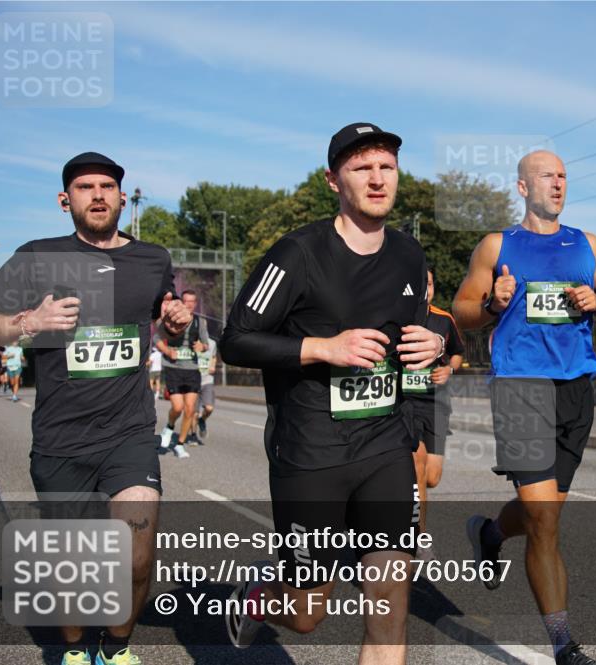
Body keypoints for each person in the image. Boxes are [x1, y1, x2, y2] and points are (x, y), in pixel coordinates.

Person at [219, 122, 444, 664]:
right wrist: (324, 347)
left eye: (387, 167)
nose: (377, 178)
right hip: (311, 452)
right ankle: (255, 600)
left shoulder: (409, 255)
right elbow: (235, 340)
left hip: (385, 447)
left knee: (390, 603)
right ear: (333, 180)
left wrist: (433, 344)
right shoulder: (297, 253)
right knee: (306, 614)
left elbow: (412, 340)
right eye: (362, 168)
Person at [0, 151, 192, 665]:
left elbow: (165, 319)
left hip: (129, 433)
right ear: (64, 199)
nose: (97, 195)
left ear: (121, 197)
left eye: (107, 186)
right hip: (60, 438)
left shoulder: (152, 258)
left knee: (136, 556)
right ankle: (74, 651)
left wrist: (175, 322)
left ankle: (115, 650)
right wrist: (28, 322)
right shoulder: (37, 257)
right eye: (85, 187)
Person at [452, 150, 596, 665]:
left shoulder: (588, 244)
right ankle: (564, 646)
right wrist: (493, 303)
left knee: (541, 516)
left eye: (563, 176)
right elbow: (462, 310)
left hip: (575, 391)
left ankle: (489, 532)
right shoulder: (498, 245)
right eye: (547, 176)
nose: (558, 183)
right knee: (545, 521)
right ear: (523, 187)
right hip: (521, 388)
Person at [404, 268, 465, 561]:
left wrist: (449, 369)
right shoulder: (398, 317)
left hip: (436, 403)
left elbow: (457, 353)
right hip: (404, 402)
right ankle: (419, 537)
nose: (424, 289)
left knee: (431, 478)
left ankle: (400, 495)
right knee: (416, 463)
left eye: (428, 283)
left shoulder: (444, 319)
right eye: (419, 284)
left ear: (433, 287)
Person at [156, 289, 208, 457]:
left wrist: (202, 346)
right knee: (178, 407)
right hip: (173, 368)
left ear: (195, 304)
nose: (189, 304)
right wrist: (167, 350)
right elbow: (156, 338)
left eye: (192, 301)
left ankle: (180, 444)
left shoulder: (200, 322)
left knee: (190, 409)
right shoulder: (170, 318)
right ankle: (169, 426)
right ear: (182, 302)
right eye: (186, 301)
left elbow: (206, 344)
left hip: (192, 369)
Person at [194, 336, 216, 442]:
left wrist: (213, 365)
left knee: (209, 408)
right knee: (194, 412)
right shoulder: (192, 341)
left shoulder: (212, 343)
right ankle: (193, 436)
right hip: (193, 380)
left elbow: (214, 356)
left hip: (207, 380)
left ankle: (202, 420)